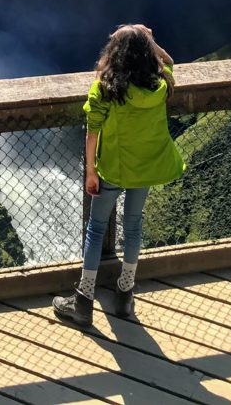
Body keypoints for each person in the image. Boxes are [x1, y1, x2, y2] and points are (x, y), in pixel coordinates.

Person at [52, 23, 185, 326]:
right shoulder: (161, 84)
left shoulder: (105, 88)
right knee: (134, 226)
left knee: (96, 229)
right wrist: (149, 39)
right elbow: (170, 63)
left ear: (116, 53)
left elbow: (92, 132)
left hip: (112, 167)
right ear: (146, 55)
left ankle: (84, 300)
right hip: (146, 167)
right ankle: (125, 294)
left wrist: (90, 172)